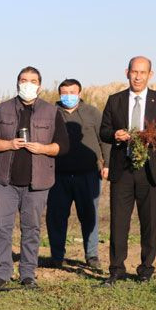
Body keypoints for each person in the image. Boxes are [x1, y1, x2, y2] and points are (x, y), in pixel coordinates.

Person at [0, 67, 69, 291]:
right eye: (23, 80)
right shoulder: (2, 109)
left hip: (37, 182)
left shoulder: (51, 112)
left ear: (39, 85)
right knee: (1, 226)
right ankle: (2, 272)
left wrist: (44, 148)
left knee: (31, 228)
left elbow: (63, 146)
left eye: (32, 81)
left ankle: (28, 273)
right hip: (5, 181)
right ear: (17, 83)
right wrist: (8, 144)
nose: (27, 84)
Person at [99, 56, 156, 285]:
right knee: (118, 222)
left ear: (150, 75)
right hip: (122, 170)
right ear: (127, 72)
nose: (138, 76)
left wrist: (151, 137)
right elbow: (104, 130)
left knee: (149, 221)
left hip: (150, 170)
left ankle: (145, 269)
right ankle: (116, 270)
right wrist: (114, 134)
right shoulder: (115, 101)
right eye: (134, 71)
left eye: (143, 72)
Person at [45, 79, 109, 270]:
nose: (68, 96)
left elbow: (104, 139)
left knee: (89, 216)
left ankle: (92, 255)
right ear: (59, 94)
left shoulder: (92, 113)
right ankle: (57, 256)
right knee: (56, 216)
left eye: (72, 92)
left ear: (79, 93)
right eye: (64, 92)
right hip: (57, 175)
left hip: (88, 174)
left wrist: (107, 163)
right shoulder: (50, 113)